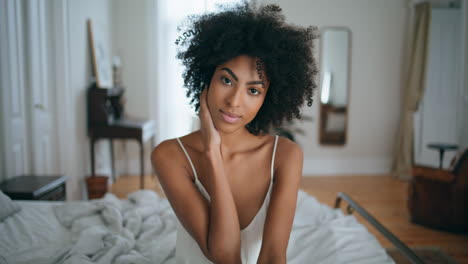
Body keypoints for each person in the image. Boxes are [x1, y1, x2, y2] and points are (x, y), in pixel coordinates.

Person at [151, 2, 317, 263]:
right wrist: (212, 155)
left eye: (253, 90)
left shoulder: (285, 155)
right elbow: (225, 256)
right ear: (207, 79)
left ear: (267, 98)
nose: (234, 102)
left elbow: (274, 256)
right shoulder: (169, 155)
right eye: (226, 80)